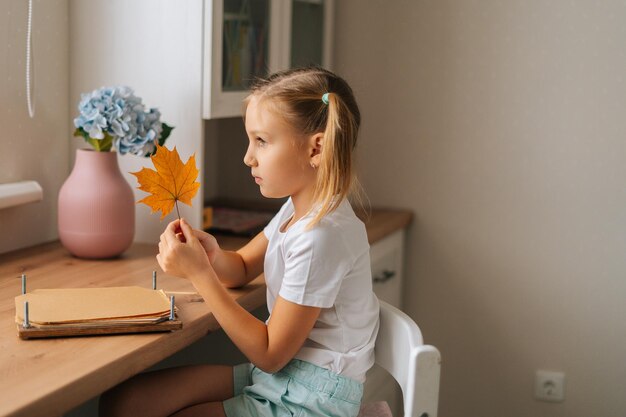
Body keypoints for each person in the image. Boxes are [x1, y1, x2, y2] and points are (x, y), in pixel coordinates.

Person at [99, 67, 380, 417]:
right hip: (285, 376)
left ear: (316, 148)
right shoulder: (298, 208)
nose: (248, 157)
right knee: (125, 402)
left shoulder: (321, 236)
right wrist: (210, 255)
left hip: (310, 398)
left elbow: (269, 353)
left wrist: (200, 274)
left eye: (261, 141)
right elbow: (244, 266)